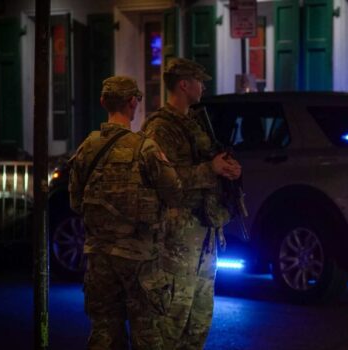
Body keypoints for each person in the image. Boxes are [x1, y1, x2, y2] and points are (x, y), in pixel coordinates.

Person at [68, 76, 184, 349]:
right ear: (133, 103)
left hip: (99, 257)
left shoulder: (87, 148)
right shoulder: (145, 148)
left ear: (102, 103)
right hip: (139, 258)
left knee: (104, 333)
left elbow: (75, 202)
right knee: (148, 333)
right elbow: (175, 191)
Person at [141, 58, 241, 349]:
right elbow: (162, 179)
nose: (204, 85)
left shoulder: (196, 124)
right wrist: (210, 169)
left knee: (198, 323)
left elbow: (212, 164)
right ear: (184, 84)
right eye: (199, 80)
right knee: (171, 323)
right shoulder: (160, 128)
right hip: (177, 238)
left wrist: (230, 170)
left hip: (204, 236)